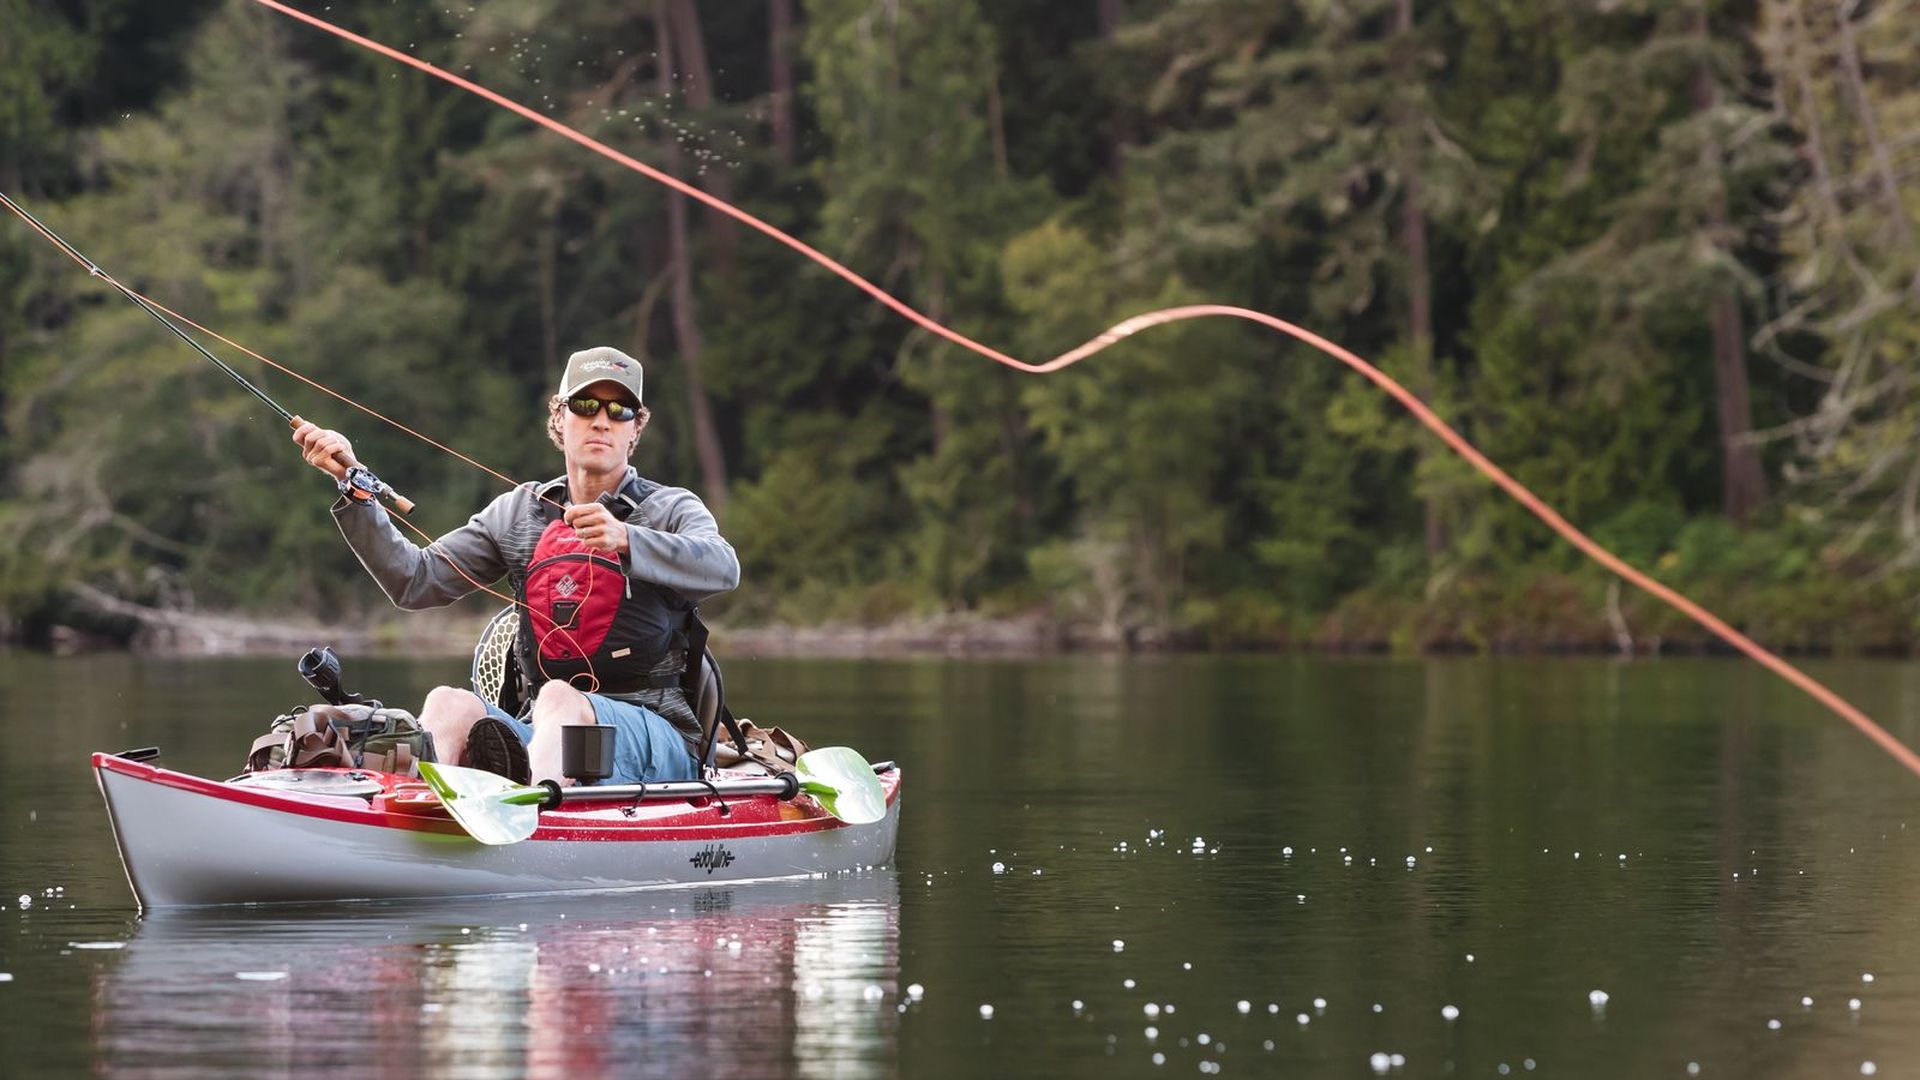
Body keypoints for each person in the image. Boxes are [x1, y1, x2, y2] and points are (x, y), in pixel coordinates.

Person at [291, 346, 739, 786]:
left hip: (657, 734)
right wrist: (355, 491)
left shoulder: (669, 507)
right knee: (448, 703)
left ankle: (525, 818)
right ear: (560, 418)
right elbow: (415, 581)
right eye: (585, 405)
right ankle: (424, 811)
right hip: (545, 730)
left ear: (635, 429)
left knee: (561, 697)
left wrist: (627, 539)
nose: (602, 420)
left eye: (620, 410)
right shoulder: (519, 512)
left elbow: (723, 567)